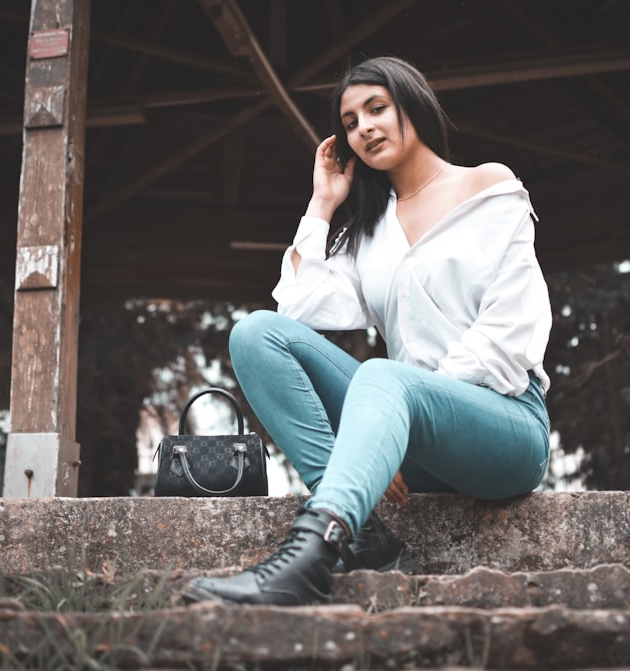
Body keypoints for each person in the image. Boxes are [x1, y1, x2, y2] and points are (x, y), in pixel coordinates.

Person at [185, 56, 551, 606]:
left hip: (504, 428)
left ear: (413, 104)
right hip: (408, 435)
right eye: (351, 122)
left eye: (376, 109)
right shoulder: (370, 232)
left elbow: (513, 326)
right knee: (256, 333)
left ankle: (310, 555)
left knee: (386, 377)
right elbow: (299, 308)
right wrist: (322, 203)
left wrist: (405, 412)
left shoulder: (488, 185)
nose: (364, 129)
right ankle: (370, 540)